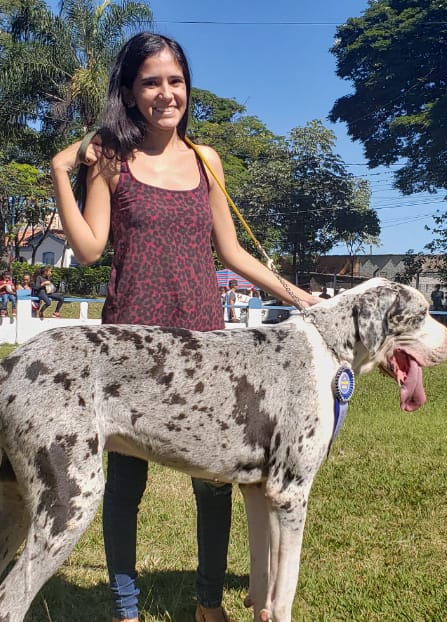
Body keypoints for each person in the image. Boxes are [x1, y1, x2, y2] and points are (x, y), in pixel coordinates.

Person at [50, 32, 319, 622]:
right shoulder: (113, 163)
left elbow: (234, 254)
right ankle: (125, 606)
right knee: (123, 484)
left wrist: (300, 297)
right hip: (132, 343)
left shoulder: (206, 161)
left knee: (215, 481)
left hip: (204, 341)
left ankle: (207, 602)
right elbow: (91, 249)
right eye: (151, 82)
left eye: (176, 81)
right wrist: (60, 173)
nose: (166, 93)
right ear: (130, 91)